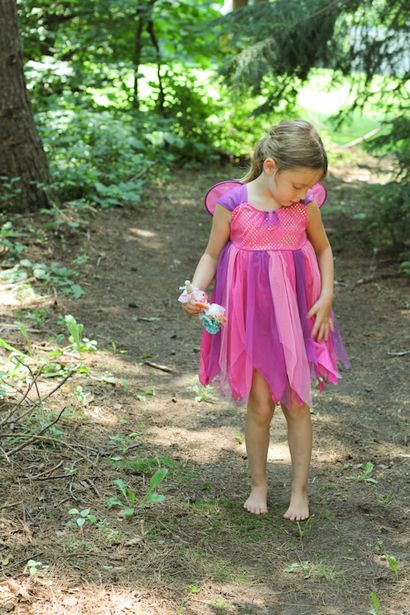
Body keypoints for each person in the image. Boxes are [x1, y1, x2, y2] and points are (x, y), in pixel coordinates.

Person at [181, 119, 349, 521]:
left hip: (294, 315)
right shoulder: (233, 205)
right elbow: (212, 255)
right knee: (259, 404)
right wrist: (196, 291)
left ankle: (300, 490)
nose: (304, 193)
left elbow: (323, 251)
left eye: (309, 187)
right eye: (297, 185)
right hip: (249, 319)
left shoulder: (305, 208)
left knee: (296, 401)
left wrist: (326, 295)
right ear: (270, 167)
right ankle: (259, 484)